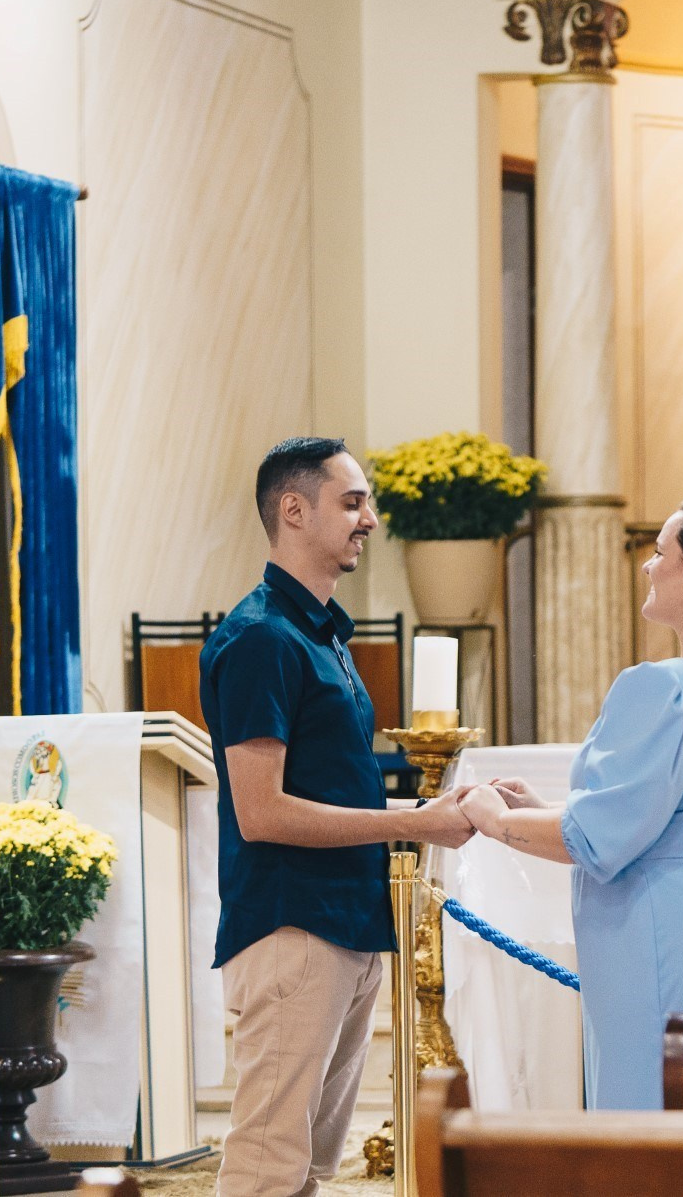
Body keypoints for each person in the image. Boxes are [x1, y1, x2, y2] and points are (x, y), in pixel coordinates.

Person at [459, 494, 683, 1109]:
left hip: (680, 946)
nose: (646, 566)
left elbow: (594, 840)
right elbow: (676, 821)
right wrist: (545, 807)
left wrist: (494, 819)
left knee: (668, 1139)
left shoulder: (664, 688)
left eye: (660, 553)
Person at [202, 438, 474, 1197]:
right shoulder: (263, 638)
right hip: (294, 923)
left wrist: (429, 810)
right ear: (295, 509)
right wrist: (414, 825)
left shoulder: (320, 633)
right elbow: (262, 812)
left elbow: (338, 793)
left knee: (308, 1168)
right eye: (353, 502)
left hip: (347, 922)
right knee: (266, 1165)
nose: (371, 519)